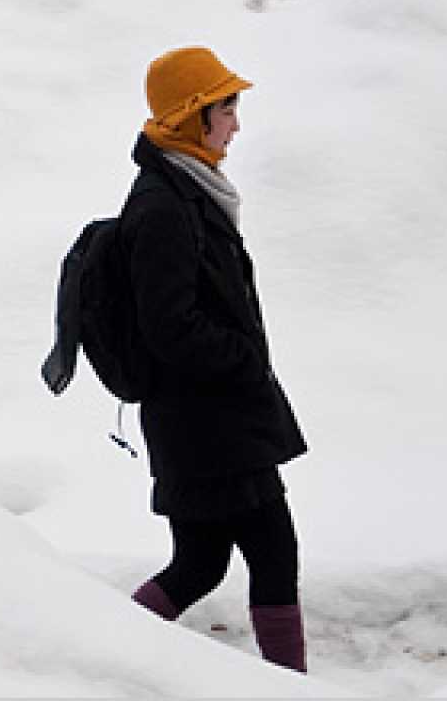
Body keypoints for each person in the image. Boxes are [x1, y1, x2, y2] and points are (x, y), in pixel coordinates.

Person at [120, 46, 310, 674]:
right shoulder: (163, 206)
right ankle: (292, 689)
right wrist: (243, 361)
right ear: (194, 115)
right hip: (209, 426)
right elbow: (169, 326)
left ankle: (108, 656)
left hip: (207, 423)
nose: (236, 122)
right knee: (271, 556)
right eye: (228, 108)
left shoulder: (189, 189)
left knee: (199, 564)